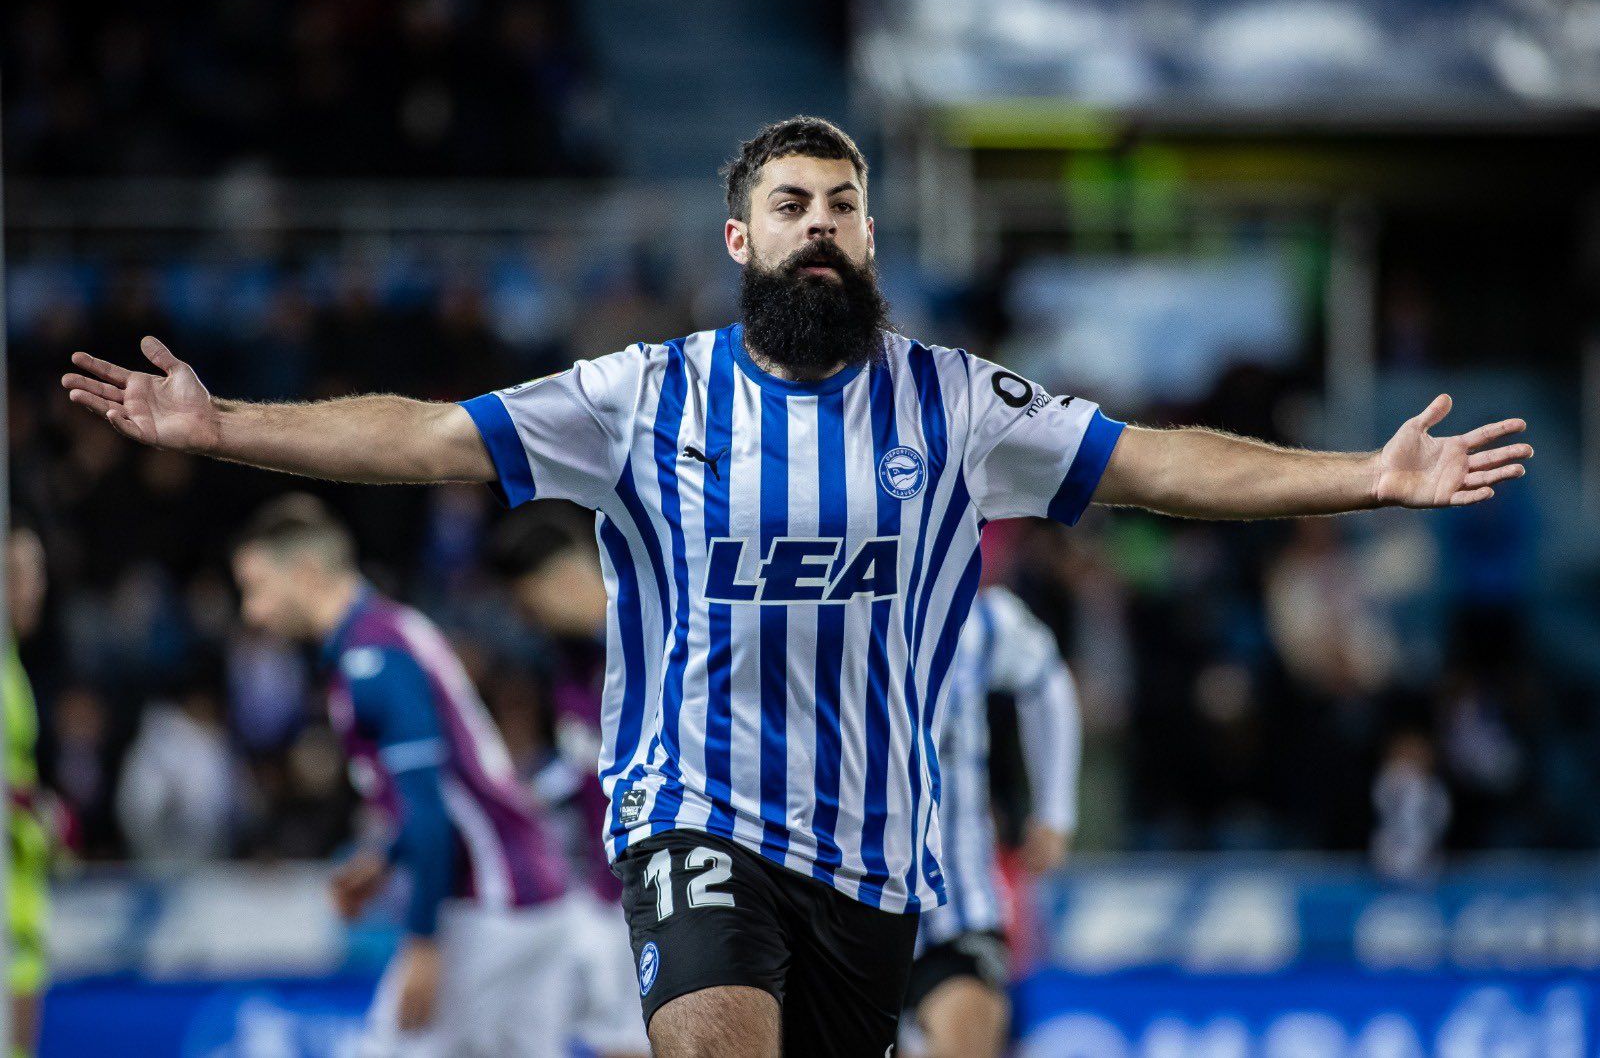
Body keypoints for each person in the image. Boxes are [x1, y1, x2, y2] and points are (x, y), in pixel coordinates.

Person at [64, 115, 1533, 1058]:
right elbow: (435, 436)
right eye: (791, 202)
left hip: (874, 861)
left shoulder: (961, 407)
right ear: (741, 239)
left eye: (844, 202)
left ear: (872, 238)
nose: (819, 223)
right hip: (691, 816)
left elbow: (1154, 465)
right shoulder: (644, 395)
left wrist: (1369, 473)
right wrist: (228, 428)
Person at [229, 496, 577, 1057]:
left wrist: (421, 941)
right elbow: (448, 788)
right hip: (531, 889)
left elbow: (432, 805)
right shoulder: (387, 631)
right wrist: (387, 857)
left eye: (258, 585)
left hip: (490, 900)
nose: (253, 610)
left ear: (307, 573)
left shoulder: (372, 659)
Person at [903, 585, 1080, 1058]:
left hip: (958, 906)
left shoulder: (979, 620)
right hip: (838, 899)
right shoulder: (818, 616)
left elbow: (1047, 678)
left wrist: (1055, 811)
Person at [498, 512, 651, 1058]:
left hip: (659, 885)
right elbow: (581, 767)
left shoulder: (649, 640)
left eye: (530, 603)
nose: (529, 620)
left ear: (560, 578)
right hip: (602, 892)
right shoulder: (568, 663)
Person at [6, 527, 51, 1058]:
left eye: (37, 575)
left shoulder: (12, 662)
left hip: (21, 904)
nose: (32, 589)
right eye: (18, 575)